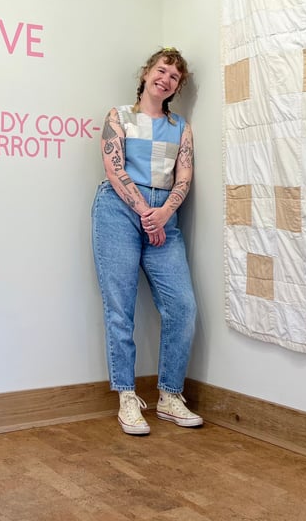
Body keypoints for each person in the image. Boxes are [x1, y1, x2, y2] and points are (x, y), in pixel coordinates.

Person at [91, 47, 202, 435]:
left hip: (164, 217)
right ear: (146, 73)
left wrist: (162, 215)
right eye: (161, 70)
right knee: (120, 307)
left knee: (183, 307)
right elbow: (114, 166)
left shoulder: (181, 127)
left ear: (177, 87)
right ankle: (126, 397)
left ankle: (170, 396)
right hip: (119, 210)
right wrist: (144, 212)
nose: (166, 79)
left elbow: (183, 177)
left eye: (174, 77)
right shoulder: (118, 116)